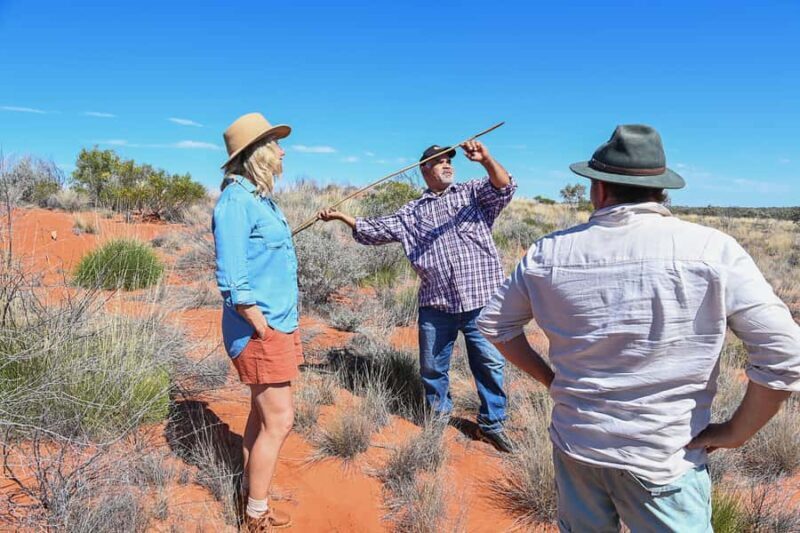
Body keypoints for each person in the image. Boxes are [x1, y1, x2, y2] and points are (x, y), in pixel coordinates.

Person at [476, 124, 800, 531]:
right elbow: (785, 355)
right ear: (662, 191)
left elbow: (496, 325)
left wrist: (550, 380)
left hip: (578, 444)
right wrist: (737, 431)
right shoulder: (712, 249)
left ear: (599, 188)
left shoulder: (548, 252)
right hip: (664, 456)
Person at [318, 140, 517, 452]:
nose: (447, 164)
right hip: (436, 304)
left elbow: (504, 188)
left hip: (482, 300)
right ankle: (438, 416)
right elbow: (374, 230)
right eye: (439, 161)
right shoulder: (411, 213)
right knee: (432, 367)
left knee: (489, 364)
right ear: (424, 169)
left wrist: (487, 159)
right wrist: (342, 217)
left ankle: (492, 424)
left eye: (450, 160)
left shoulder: (472, 194)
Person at [213, 112, 301, 531]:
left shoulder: (259, 199)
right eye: (276, 143)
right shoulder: (236, 201)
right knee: (281, 420)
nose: (283, 150)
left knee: (261, 416)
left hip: (278, 322)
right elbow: (232, 278)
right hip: (260, 329)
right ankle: (256, 514)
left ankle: (252, 494)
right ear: (258, 153)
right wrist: (259, 323)